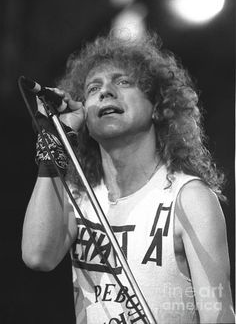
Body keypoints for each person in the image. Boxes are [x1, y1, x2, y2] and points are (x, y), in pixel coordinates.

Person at [21, 31, 235, 324]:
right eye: (93, 88)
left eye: (123, 82)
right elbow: (37, 256)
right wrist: (54, 144)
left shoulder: (188, 198)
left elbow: (218, 314)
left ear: (158, 107)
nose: (105, 92)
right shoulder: (79, 198)